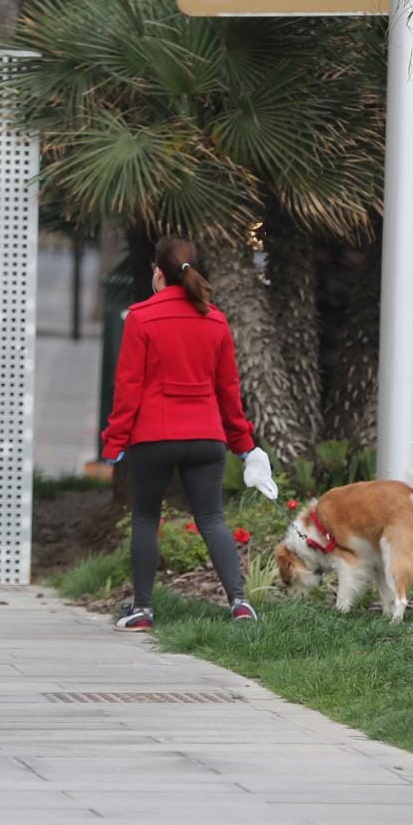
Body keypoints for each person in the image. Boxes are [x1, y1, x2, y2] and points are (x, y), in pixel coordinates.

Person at [100, 237, 278, 631]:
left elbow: (128, 388)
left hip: (153, 436)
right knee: (212, 517)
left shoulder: (141, 317)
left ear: (158, 272)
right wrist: (245, 446)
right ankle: (240, 603)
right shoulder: (215, 320)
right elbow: (229, 392)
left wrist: (114, 442)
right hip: (206, 437)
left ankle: (143, 610)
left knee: (145, 520)